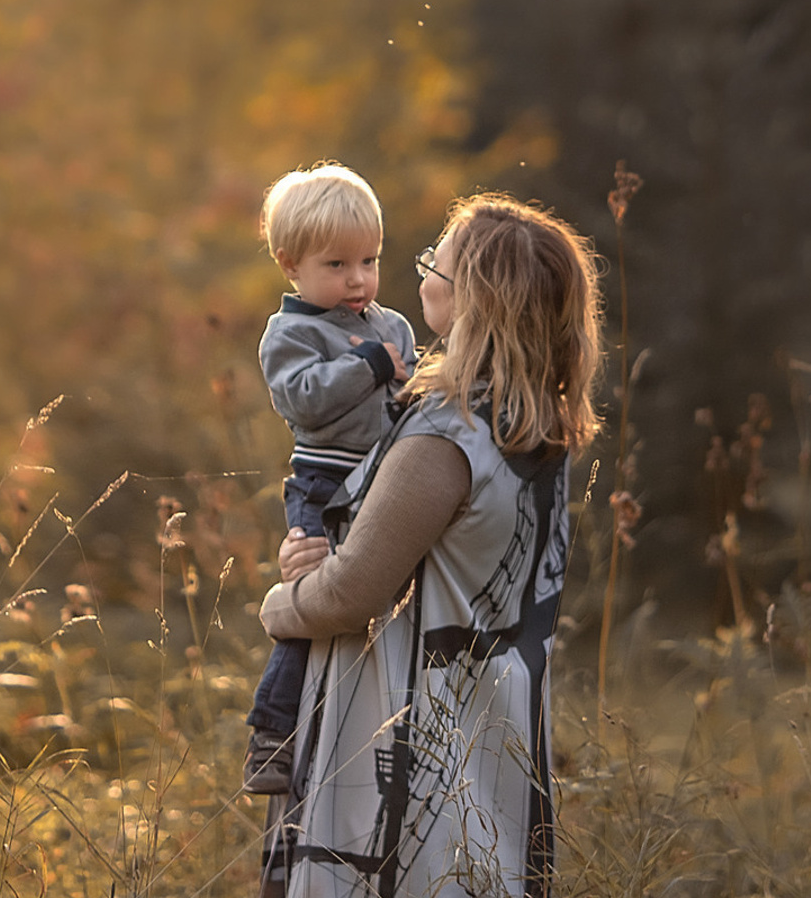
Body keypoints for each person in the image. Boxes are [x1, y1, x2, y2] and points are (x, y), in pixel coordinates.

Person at [256, 193, 603, 898]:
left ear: (472, 294)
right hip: (494, 728)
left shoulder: (446, 436)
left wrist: (281, 602)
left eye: (432, 265)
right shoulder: (534, 424)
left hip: (404, 743)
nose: (420, 279)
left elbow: (351, 594)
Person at [245, 164, 419, 795]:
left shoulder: (391, 325)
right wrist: (369, 365)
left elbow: (413, 395)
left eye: (368, 261)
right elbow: (306, 400)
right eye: (337, 265)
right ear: (292, 265)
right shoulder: (290, 334)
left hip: (384, 482)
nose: (358, 280)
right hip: (323, 485)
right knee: (314, 605)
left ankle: (378, 732)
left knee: (381, 606)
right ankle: (272, 731)